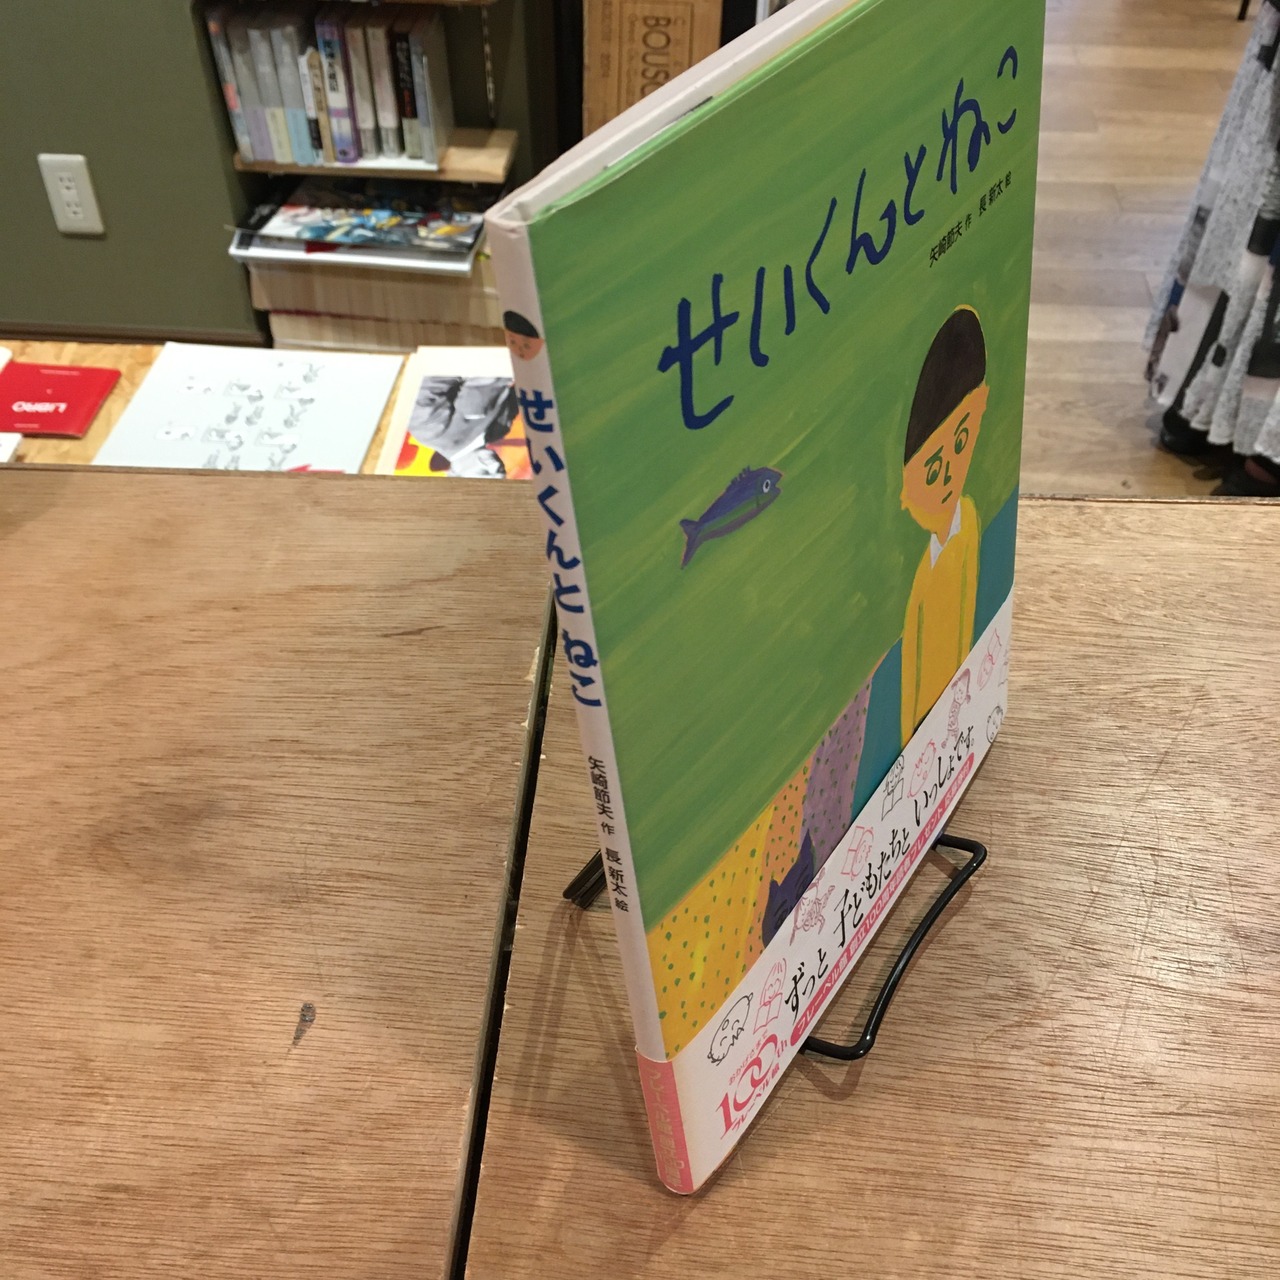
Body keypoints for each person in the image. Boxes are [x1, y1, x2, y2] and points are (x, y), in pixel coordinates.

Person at [899, 307, 988, 744]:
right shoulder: (922, 579)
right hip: (926, 733)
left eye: (961, 441)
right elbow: (912, 680)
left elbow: (968, 615)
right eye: (933, 469)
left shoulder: (968, 524)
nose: (950, 472)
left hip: (960, 707)